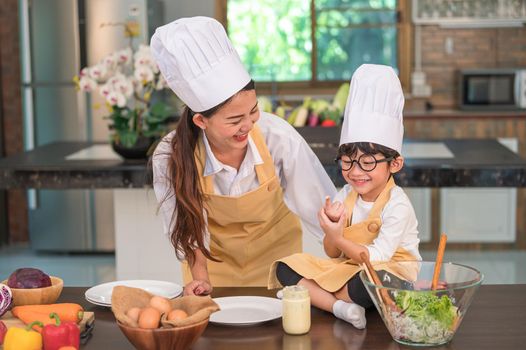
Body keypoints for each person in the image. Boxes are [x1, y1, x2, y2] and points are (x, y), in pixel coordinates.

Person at [149, 17, 336, 295]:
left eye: (253, 111)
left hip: (279, 269)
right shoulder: (170, 155)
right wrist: (200, 280)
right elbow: (186, 232)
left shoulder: (277, 138)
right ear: (201, 121)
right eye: (235, 119)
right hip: (211, 272)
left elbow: (321, 210)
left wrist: (346, 259)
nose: (248, 125)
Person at [268, 64, 422, 329]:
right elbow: (332, 253)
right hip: (348, 269)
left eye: (368, 163)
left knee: (373, 282)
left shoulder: (397, 205)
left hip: (389, 272)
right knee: (286, 267)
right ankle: (340, 307)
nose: (356, 172)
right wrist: (331, 230)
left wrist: (338, 236)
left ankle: (317, 297)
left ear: (394, 164)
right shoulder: (347, 194)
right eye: (348, 162)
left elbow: (377, 258)